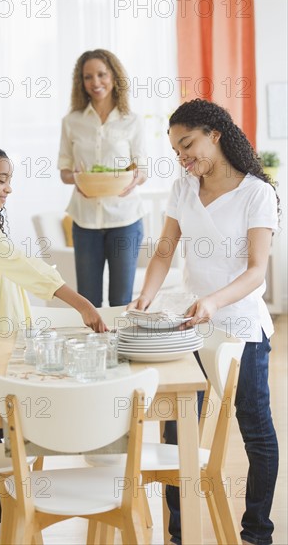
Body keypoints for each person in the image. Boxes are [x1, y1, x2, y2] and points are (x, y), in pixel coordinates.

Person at [0, 142, 106, 539]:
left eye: (10, 180)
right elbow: (27, 268)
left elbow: (15, 274)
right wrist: (83, 305)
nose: (8, 188)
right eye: (3, 179)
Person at [128, 99, 280, 545]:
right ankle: (180, 532)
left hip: (241, 326)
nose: (182, 157)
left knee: (255, 426)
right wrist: (145, 298)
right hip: (190, 323)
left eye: (188, 145)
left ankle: (256, 532)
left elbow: (256, 271)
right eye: (176, 150)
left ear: (215, 133)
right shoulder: (183, 186)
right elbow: (164, 249)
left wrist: (214, 301)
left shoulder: (257, 193)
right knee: (178, 429)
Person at [58, 48, 147, 308]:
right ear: (81, 82)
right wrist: (75, 178)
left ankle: (122, 350)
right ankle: (92, 349)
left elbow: (142, 169)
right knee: (88, 301)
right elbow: (64, 170)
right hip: (85, 221)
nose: (95, 82)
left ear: (114, 77)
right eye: (88, 77)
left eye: (101, 74)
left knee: (121, 300)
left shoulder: (132, 121)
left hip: (125, 219)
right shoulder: (71, 122)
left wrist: (134, 179)